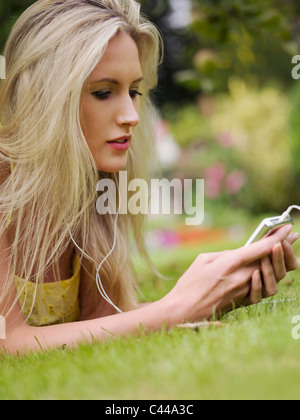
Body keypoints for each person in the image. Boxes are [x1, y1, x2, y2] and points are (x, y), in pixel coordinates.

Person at [0, 0, 298, 355]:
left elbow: (100, 322)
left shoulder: (95, 189)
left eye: (134, 91)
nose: (131, 115)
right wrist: (178, 307)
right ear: (47, 97)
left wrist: (217, 292)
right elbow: (9, 341)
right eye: (103, 92)